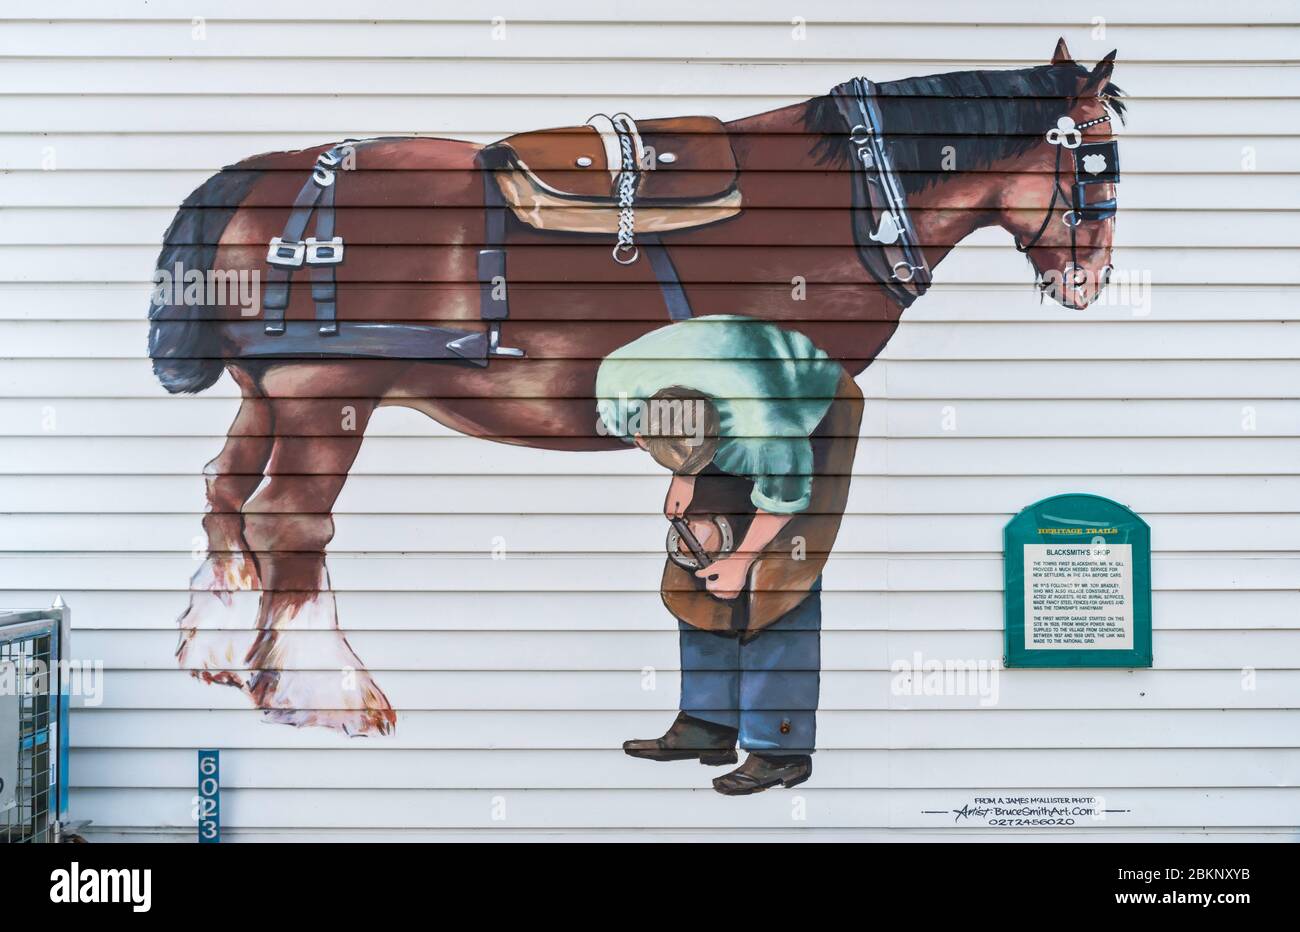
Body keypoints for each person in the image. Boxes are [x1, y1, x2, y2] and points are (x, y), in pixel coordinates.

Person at [595, 315, 862, 795]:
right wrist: (685, 475)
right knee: (697, 555)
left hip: (812, 404)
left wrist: (742, 560)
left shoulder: (768, 430)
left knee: (778, 579)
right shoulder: (617, 388)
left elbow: (785, 498)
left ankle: (780, 748)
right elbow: (675, 441)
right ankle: (707, 722)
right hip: (722, 390)